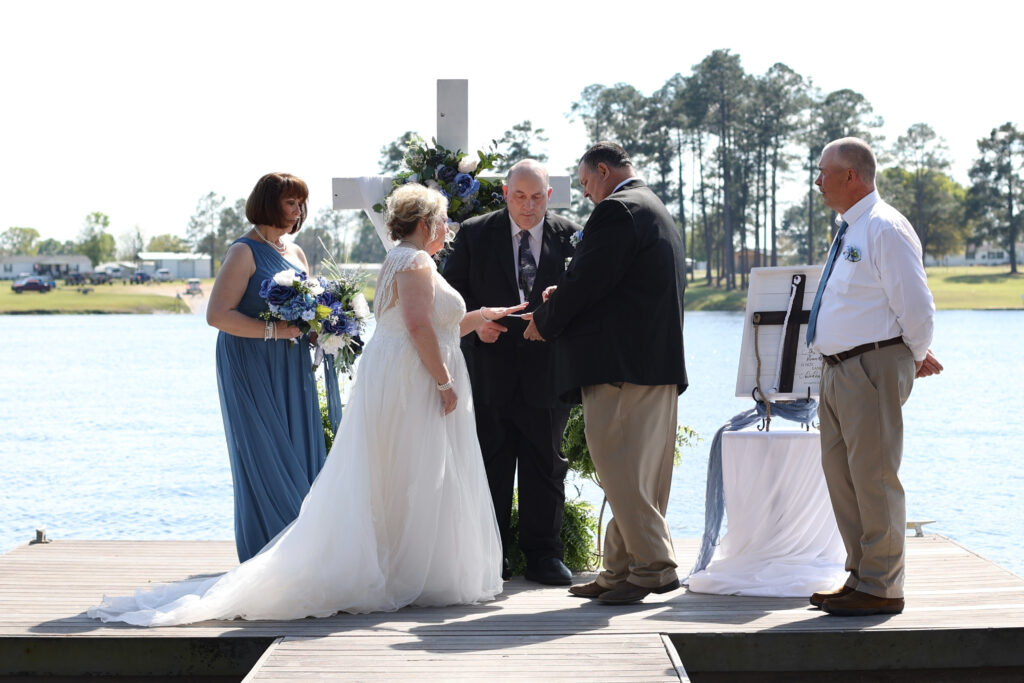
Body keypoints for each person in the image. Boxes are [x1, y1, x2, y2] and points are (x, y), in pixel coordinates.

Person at [88, 183, 526, 624]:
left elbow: (435, 325)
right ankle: (404, 569)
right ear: (426, 222)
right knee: (412, 469)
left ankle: (408, 565)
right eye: (443, 220)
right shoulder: (412, 261)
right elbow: (416, 326)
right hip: (409, 378)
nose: (447, 229)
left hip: (402, 373)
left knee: (403, 471)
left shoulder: (409, 260)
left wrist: (479, 318)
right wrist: (445, 381)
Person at [524, 142, 688, 605]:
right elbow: (619, 282)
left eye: (585, 184)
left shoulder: (617, 210)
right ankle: (619, 569)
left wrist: (545, 319)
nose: (587, 194)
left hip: (621, 368)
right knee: (638, 475)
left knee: (620, 472)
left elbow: (590, 283)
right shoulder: (653, 207)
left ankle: (654, 567)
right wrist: (571, 288)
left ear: (602, 171)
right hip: (653, 364)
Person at [806, 137, 943, 617]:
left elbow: (917, 307)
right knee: (842, 477)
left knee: (874, 477)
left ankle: (883, 587)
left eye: (824, 172)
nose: (817, 181)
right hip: (838, 369)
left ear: (852, 176)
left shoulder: (884, 227)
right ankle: (862, 575)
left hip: (870, 367)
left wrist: (912, 354)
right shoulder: (851, 229)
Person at [443, 160, 580, 586]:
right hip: (490, 371)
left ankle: (544, 556)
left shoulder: (572, 235)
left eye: (537, 196)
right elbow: (449, 302)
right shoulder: (474, 233)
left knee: (546, 466)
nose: (528, 205)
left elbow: (586, 299)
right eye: (520, 196)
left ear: (549, 195)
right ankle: (492, 555)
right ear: (505, 193)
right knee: (491, 465)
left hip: (549, 372)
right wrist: (473, 328)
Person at [205, 172, 325, 562]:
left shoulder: (298, 253)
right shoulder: (244, 252)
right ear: (269, 203)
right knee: (265, 452)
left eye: (301, 203)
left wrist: (324, 329)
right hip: (249, 363)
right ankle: (268, 558)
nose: (298, 210)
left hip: (292, 365)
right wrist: (274, 330)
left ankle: (306, 554)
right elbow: (217, 315)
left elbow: (305, 317)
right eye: (291, 202)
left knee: (299, 447)